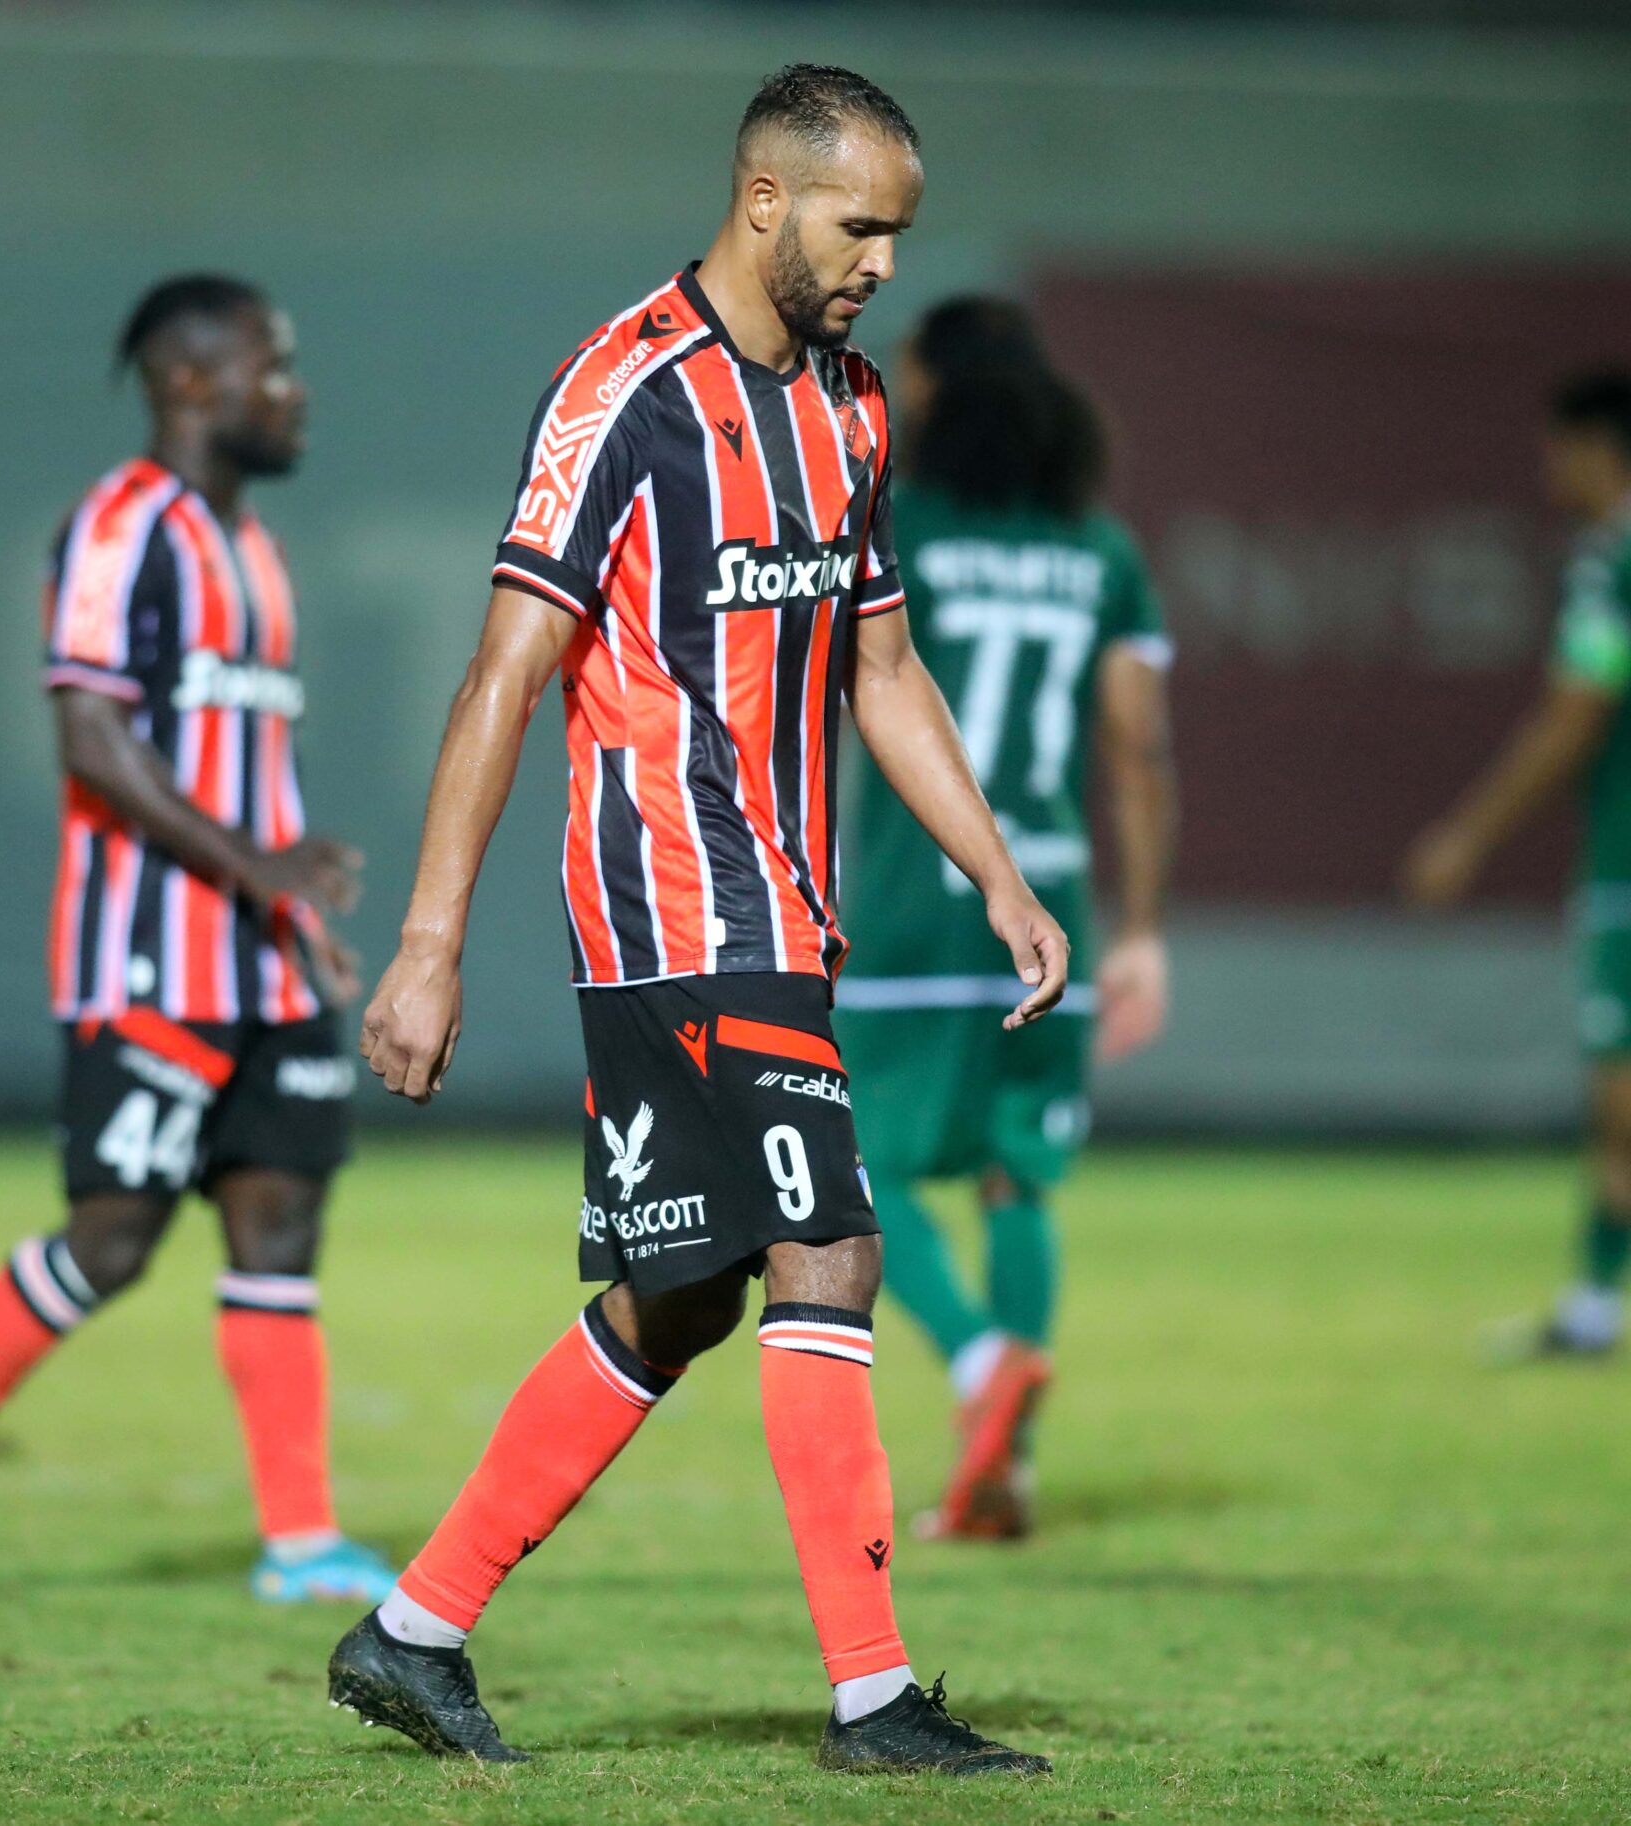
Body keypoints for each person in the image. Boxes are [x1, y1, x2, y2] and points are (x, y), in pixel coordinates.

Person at [330, 66, 1067, 1775]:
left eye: (900, 232)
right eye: (859, 226)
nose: (883, 263)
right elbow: (506, 669)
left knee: (681, 1293)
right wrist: (429, 942)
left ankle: (413, 1630)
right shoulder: (625, 392)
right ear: (763, 200)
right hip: (671, 901)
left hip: (780, 908)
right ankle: (874, 1699)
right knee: (831, 1251)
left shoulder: (852, 407)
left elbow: (883, 667)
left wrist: (997, 870)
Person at [0, 274, 395, 1604]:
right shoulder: (118, 526)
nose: (296, 391)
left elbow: (241, 762)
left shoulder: (253, 546)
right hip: (150, 956)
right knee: (112, 1239)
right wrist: (258, 867)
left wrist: (292, 912)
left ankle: (298, 1541)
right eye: (274, 365)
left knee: (281, 1223)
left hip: (263, 962)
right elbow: (92, 738)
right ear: (194, 380)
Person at [834, 298, 1178, 1540]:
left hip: (913, 900)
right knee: (1014, 1178)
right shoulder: (1100, 548)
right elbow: (1136, 749)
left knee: (847, 1170)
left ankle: (983, 1361)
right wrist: (1139, 929)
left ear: (936, 389)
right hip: (1055, 904)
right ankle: (1007, 1474)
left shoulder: (897, 524)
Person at [1404, 368, 1631, 1363]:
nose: (1548, 471)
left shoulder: (1610, 563)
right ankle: (1591, 1305)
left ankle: (1592, 1307)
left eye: (1557, 451)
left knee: (1620, 1101)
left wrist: (1470, 832)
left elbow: (1576, 710)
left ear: (1595, 449)